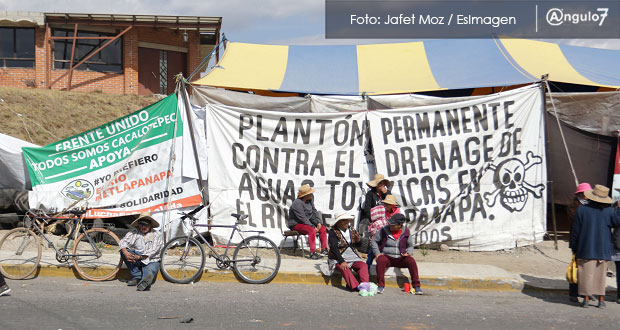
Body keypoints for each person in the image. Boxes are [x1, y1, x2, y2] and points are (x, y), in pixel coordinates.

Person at [570, 184, 620, 308]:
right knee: (600, 275)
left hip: (586, 247)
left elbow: (576, 231)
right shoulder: (609, 211)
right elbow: (617, 222)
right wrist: (619, 209)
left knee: (586, 274)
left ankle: (586, 299)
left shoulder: (581, 210)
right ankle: (601, 300)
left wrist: (574, 247)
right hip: (603, 249)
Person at [371, 213, 422, 295]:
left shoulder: (406, 232)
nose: (390, 226)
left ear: (400, 225)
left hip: (400, 257)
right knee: (380, 260)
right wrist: (377, 253)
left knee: (411, 261)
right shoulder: (384, 230)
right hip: (387, 257)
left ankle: (417, 286)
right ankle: (380, 285)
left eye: (392, 225)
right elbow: (374, 241)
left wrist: (409, 252)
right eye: (390, 224)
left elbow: (410, 245)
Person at [325, 212, 370, 292]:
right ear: (338, 222)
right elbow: (334, 249)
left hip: (352, 255)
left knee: (363, 266)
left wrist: (358, 241)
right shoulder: (333, 232)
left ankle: (364, 285)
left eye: (347, 220)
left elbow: (357, 246)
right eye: (344, 220)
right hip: (338, 257)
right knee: (345, 268)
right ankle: (354, 286)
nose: (346, 222)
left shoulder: (351, 229)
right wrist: (342, 261)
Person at [119, 212, 164, 291]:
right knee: (123, 251)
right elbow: (122, 242)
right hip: (136, 258)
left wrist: (139, 257)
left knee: (149, 270)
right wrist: (126, 253)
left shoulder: (157, 234)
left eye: (146, 225)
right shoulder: (134, 232)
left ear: (150, 225)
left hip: (151, 260)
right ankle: (136, 276)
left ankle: (144, 283)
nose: (143, 227)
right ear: (138, 225)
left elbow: (153, 251)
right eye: (141, 225)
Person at [288, 184, 328, 260]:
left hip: (307, 223)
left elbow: (314, 211)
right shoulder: (297, 203)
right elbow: (302, 218)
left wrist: (318, 222)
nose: (311, 194)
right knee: (311, 230)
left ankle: (324, 249)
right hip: (296, 224)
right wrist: (312, 226)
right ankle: (312, 252)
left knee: (322, 228)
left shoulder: (309, 201)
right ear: (306, 195)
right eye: (310, 193)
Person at [567, 182, 592, 303]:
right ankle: (573, 293)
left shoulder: (591, 206)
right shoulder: (573, 206)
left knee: (586, 269)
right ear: (581, 194)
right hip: (578, 241)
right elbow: (575, 222)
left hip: (588, 241)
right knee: (576, 267)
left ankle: (584, 292)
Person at [366, 194, 401, 267]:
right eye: (385, 204)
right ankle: (367, 268)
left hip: (389, 235)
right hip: (381, 234)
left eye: (388, 204)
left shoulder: (397, 212)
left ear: (392, 205)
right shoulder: (381, 210)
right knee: (372, 252)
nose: (386, 206)